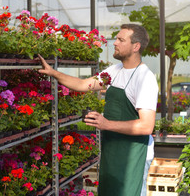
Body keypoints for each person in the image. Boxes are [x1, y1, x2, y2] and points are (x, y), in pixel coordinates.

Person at [38, 24, 159, 196]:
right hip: (112, 148)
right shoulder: (115, 71)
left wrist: (106, 123)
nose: (115, 43)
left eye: (121, 40)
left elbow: (146, 126)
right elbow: (82, 84)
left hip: (133, 153)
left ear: (136, 47)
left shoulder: (144, 78)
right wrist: (53, 73)